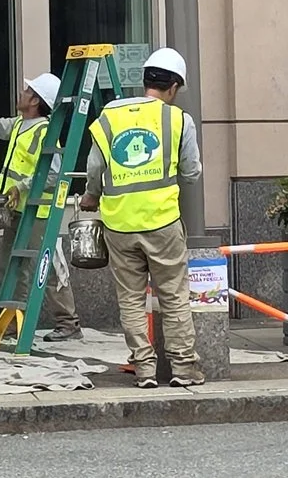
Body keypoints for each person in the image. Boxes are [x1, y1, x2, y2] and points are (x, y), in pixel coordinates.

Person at [79, 46, 202, 388]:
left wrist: (93, 195)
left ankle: (145, 370)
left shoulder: (108, 118)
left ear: (145, 80)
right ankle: (183, 368)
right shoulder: (177, 120)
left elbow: (94, 168)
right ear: (174, 87)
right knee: (174, 295)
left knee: (131, 300)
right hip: (162, 221)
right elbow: (191, 173)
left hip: (118, 224)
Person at [0, 65, 79, 340]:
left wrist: (22, 186)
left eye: (28, 90)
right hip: (16, 211)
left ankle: (64, 323)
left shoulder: (45, 133)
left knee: (43, 267)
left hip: (38, 213)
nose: (22, 91)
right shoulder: (19, 125)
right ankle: (12, 323)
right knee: (10, 268)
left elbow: (55, 173)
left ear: (36, 102)